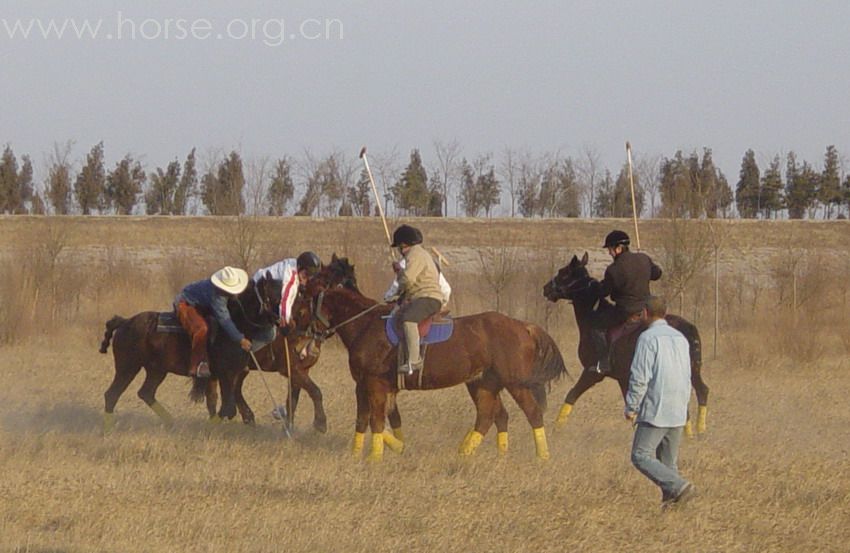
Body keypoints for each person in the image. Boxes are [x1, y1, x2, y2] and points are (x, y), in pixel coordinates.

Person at [624, 296, 695, 509]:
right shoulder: (680, 337)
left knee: (640, 455)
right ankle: (673, 509)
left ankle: (681, 486)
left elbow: (640, 375)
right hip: (679, 406)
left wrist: (632, 405)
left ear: (645, 312)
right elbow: (687, 373)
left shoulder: (648, 338)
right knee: (667, 462)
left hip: (657, 407)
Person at [591, 229, 662, 373]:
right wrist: (647, 265)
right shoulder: (643, 258)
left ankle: (604, 362)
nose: (610, 253)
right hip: (647, 310)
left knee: (596, 326)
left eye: (610, 249)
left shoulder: (613, 269)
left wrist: (595, 286)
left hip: (626, 312)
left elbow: (604, 292)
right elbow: (657, 274)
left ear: (618, 248)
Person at [174, 266, 253, 378]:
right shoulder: (217, 296)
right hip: (186, 303)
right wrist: (240, 339)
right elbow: (224, 320)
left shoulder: (223, 293)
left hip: (203, 305)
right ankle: (197, 364)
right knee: (201, 328)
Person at [388, 224, 444, 375]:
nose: (399, 250)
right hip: (422, 296)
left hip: (427, 297)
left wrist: (399, 273)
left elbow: (408, 279)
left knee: (408, 320)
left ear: (403, 244)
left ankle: (414, 360)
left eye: (399, 247)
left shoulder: (415, 254)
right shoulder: (420, 254)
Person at [250, 251, 322, 350]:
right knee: (270, 334)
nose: (305, 280)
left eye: (309, 277)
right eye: (305, 275)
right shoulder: (290, 276)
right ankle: (247, 351)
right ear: (300, 267)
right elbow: (285, 300)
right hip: (256, 292)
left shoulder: (293, 266)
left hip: (263, 292)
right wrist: (285, 320)